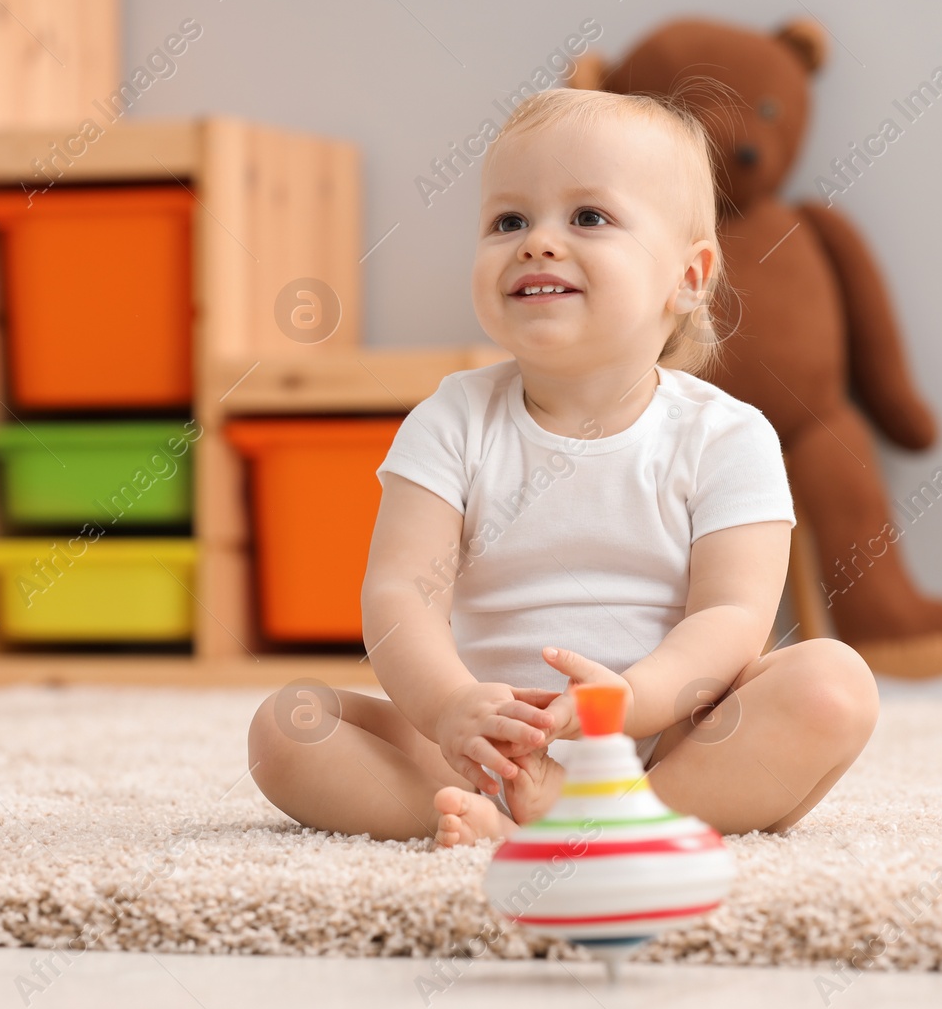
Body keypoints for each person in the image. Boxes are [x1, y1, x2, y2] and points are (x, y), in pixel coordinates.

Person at [249, 86, 878, 847]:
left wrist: (634, 699)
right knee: (286, 728)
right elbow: (398, 593)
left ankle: (624, 812)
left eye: (588, 217)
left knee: (834, 686)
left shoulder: (728, 436)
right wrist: (450, 707)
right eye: (508, 220)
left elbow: (733, 617)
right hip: (486, 749)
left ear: (689, 276)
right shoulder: (450, 420)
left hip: (666, 738)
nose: (538, 242)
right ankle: (492, 816)